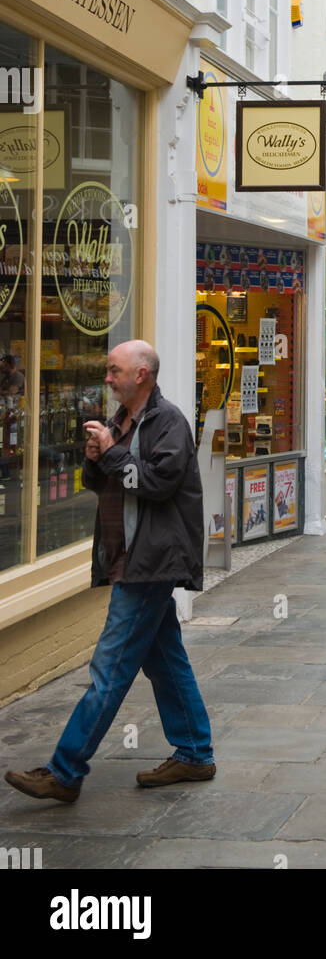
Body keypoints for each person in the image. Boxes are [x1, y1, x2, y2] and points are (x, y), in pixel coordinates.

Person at [5, 341, 214, 804]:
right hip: (129, 558)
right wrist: (96, 456)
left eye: (113, 370)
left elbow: (157, 484)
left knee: (109, 670)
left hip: (150, 563)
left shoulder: (169, 423)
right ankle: (196, 753)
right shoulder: (123, 421)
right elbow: (99, 482)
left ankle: (65, 771)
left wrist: (114, 455)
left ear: (141, 375)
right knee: (166, 662)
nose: (107, 377)